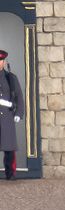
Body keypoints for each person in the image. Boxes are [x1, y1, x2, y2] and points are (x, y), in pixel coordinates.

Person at [0, 50, 24, 181]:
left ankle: (10, 173)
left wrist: (19, 113)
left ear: (4, 62)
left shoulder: (11, 78)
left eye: (0, 61)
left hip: (7, 117)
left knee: (9, 148)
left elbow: (19, 97)